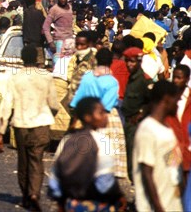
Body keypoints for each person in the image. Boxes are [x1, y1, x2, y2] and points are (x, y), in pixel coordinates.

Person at [0, 45, 59, 212]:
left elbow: (6, 105)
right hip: (41, 123)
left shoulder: (15, 78)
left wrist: (1, 132)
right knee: (36, 160)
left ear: (22, 59)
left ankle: (26, 195)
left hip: (21, 124)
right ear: (38, 59)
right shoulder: (46, 77)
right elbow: (54, 104)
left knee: (23, 161)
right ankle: (34, 193)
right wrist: (49, 114)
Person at [49, 97, 125, 212]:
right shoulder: (102, 141)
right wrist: (119, 196)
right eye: (101, 113)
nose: (106, 115)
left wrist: (60, 201)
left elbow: (55, 176)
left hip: (71, 204)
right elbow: (105, 181)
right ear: (88, 117)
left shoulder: (68, 140)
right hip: (95, 203)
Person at [70, 48, 128, 181]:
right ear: (110, 62)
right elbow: (107, 106)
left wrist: (74, 120)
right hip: (106, 118)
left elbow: (77, 100)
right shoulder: (112, 82)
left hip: (87, 114)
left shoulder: (88, 77)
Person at [133, 80, 183, 212]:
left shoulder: (167, 130)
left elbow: (172, 164)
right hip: (154, 207)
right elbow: (147, 172)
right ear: (166, 100)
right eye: (176, 101)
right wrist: (158, 207)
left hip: (172, 204)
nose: (177, 105)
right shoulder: (147, 130)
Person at [121, 46, 153, 181]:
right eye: (127, 61)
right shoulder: (132, 79)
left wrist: (141, 113)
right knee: (129, 160)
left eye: (132, 61)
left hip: (138, 125)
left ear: (139, 62)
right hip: (128, 124)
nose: (129, 64)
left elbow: (153, 101)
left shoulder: (144, 80)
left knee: (136, 162)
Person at [43, 0, 74, 64]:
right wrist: (50, 42)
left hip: (70, 41)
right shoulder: (54, 9)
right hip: (59, 42)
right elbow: (45, 27)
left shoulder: (70, 7)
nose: (63, 0)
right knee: (58, 66)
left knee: (69, 66)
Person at [22, 0, 45, 66]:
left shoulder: (26, 13)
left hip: (28, 45)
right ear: (35, 2)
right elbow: (45, 25)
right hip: (38, 44)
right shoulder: (39, 13)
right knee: (40, 67)